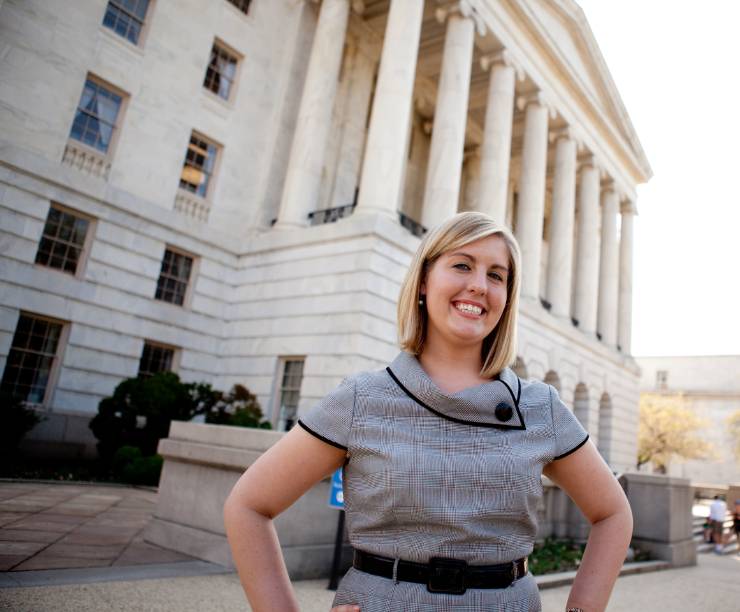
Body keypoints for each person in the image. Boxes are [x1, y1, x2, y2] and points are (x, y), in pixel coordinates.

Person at [224, 212, 633, 612]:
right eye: (461, 265)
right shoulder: (362, 398)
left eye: (496, 275)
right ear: (423, 281)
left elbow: (612, 513)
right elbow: (248, 506)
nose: (478, 286)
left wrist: (582, 608)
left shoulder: (540, 406)